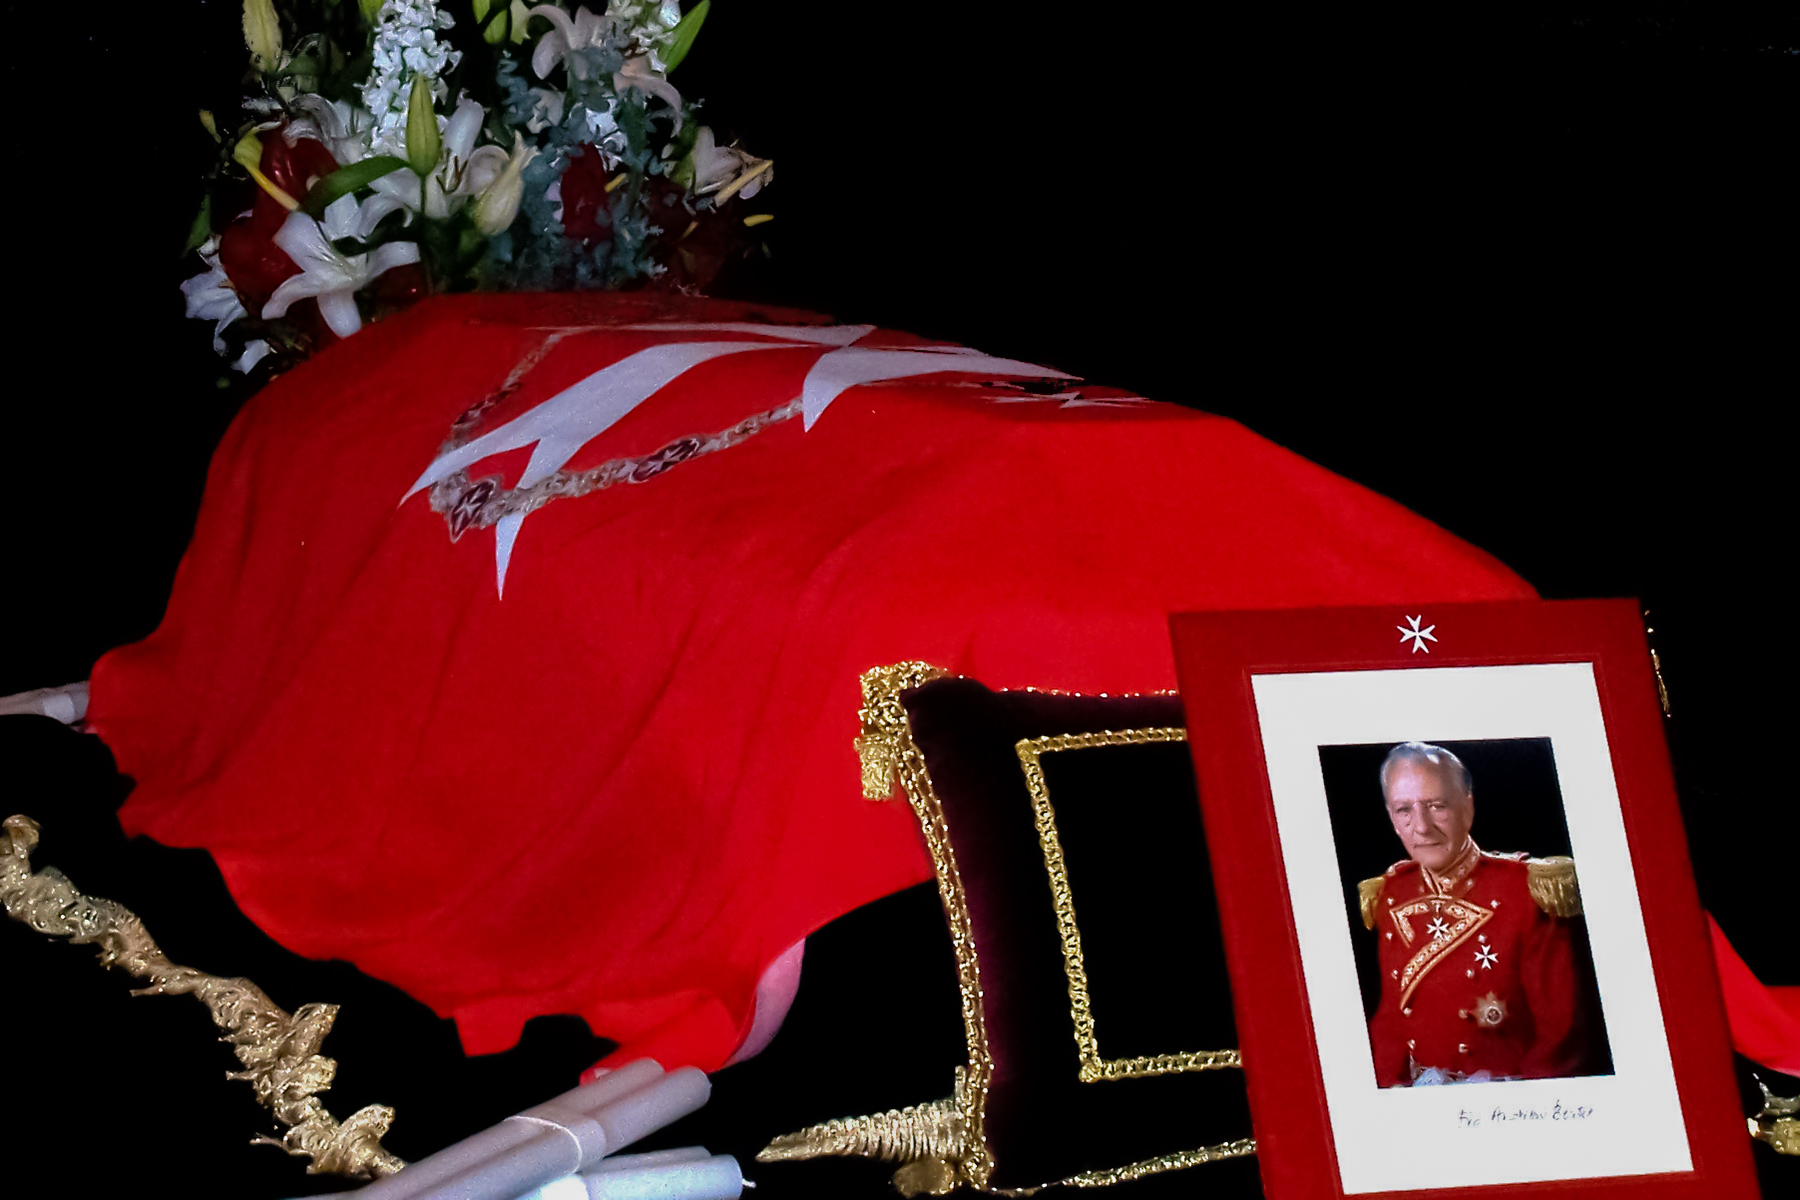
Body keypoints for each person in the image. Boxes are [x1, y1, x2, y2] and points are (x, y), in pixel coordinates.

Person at [1359, 742, 1600, 1087]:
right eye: (1404, 810)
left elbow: (1560, 1037)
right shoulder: (1392, 894)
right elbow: (1390, 1024)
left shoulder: (1526, 891)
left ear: (1467, 806)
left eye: (1436, 806)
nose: (1422, 827)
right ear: (1391, 817)